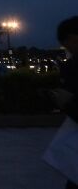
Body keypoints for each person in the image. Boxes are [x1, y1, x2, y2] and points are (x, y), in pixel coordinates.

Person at [57, 17, 78, 189]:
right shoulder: (71, 65)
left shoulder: (72, 66)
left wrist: (67, 103)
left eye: (66, 42)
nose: (66, 48)